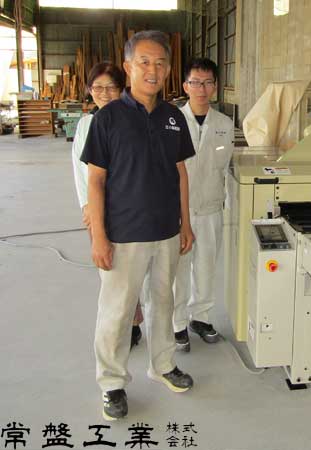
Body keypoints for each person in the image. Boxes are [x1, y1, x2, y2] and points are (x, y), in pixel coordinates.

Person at [81, 30, 195, 421]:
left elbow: (180, 173)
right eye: (144, 61)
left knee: (163, 302)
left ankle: (163, 365)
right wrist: (99, 236)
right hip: (124, 234)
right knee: (117, 310)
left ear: (168, 69)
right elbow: (96, 180)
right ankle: (112, 383)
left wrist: (186, 223)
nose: (153, 69)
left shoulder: (173, 117)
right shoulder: (108, 118)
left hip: (166, 231)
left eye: (161, 62)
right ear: (128, 66)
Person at [71, 62, 144, 349]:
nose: (104, 93)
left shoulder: (133, 121)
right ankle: (121, 325)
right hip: (98, 209)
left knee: (132, 270)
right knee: (110, 271)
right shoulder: (85, 124)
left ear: (122, 89)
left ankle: (133, 323)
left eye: (111, 87)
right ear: (89, 90)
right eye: (97, 87)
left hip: (128, 209)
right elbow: (81, 172)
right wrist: (87, 207)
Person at [172, 58, 234, 352]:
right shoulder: (171, 122)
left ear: (215, 87)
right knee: (178, 271)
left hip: (211, 209)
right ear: (185, 86)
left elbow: (225, 167)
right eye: (195, 82)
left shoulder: (224, 124)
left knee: (206, 268)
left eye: (208, 82)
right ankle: (177, 324)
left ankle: (201, 318)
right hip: (177, 212)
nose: (202, 88)